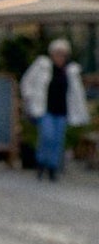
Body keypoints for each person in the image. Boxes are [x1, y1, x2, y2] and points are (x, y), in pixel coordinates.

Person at [20, 38, 90, 179]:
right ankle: (41, 162)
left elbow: (77, 94)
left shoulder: (70, 71)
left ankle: (52, 167)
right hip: (45, 109)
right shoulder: (42, 66)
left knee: (58, 140)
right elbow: (27, 82)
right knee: (47, 136)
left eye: (63, 54)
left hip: (62, 111)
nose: (60, 57)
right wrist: (29, 98)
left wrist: (81, 111)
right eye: (58, 53)